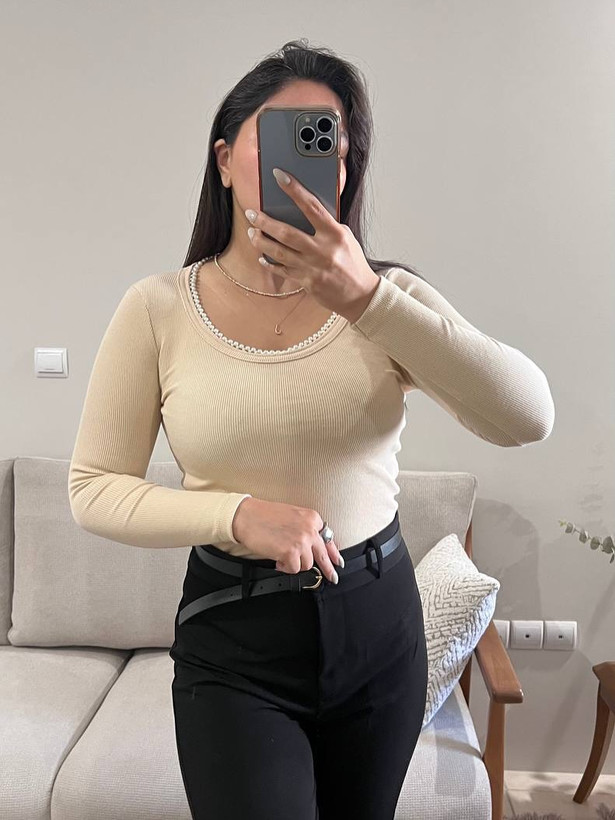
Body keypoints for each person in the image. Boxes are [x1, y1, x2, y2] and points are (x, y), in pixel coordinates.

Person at [68, 38, 555, 820]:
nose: (309, 159)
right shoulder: (157, 308)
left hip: (379, 627)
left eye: (330, 143)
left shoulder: (387, 301)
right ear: (224, 160)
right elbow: (92, 489)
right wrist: (236, 515)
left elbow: (526, 416)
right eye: (284, 133)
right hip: (235, 633)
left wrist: (366, 299)